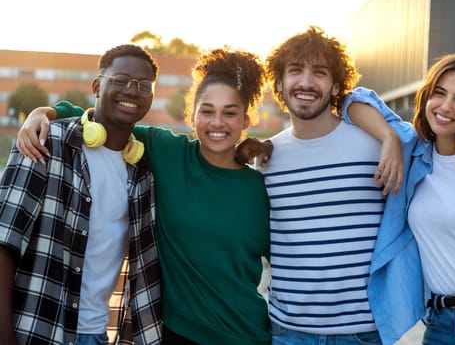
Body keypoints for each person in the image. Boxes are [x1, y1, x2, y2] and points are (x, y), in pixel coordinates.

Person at [15, 47, 271, 345]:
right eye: (207, 111)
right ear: (192, 116)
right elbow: (103, 121)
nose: (217, 122)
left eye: (230, 113)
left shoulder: (260, 187)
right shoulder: (166, 152)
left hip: (245, 335)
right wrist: (44, 112)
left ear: (246, 121)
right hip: (177, 333)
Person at [238, 25, 423, 344]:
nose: (306, 82)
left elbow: (416, 143)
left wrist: (389, 135)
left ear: (337, 85)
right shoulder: (267, 158)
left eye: (319, 73)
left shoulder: (375, 143)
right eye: (295, 71)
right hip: (288, 332)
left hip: (362, 332)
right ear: (280, 83)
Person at [344, 51, 455, 344]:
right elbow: (352, 99)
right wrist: (389, 138)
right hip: (439, 324)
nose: (445, 107)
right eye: (439, 94)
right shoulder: (413, 152)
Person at [0, 44, 162, 345]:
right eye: (121, 80)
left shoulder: (141, 173)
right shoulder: (46, 142)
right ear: (97, 85)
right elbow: (3, 244)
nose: (132, 90)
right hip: (37, 330)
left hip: (96, 334)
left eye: (143, 85)